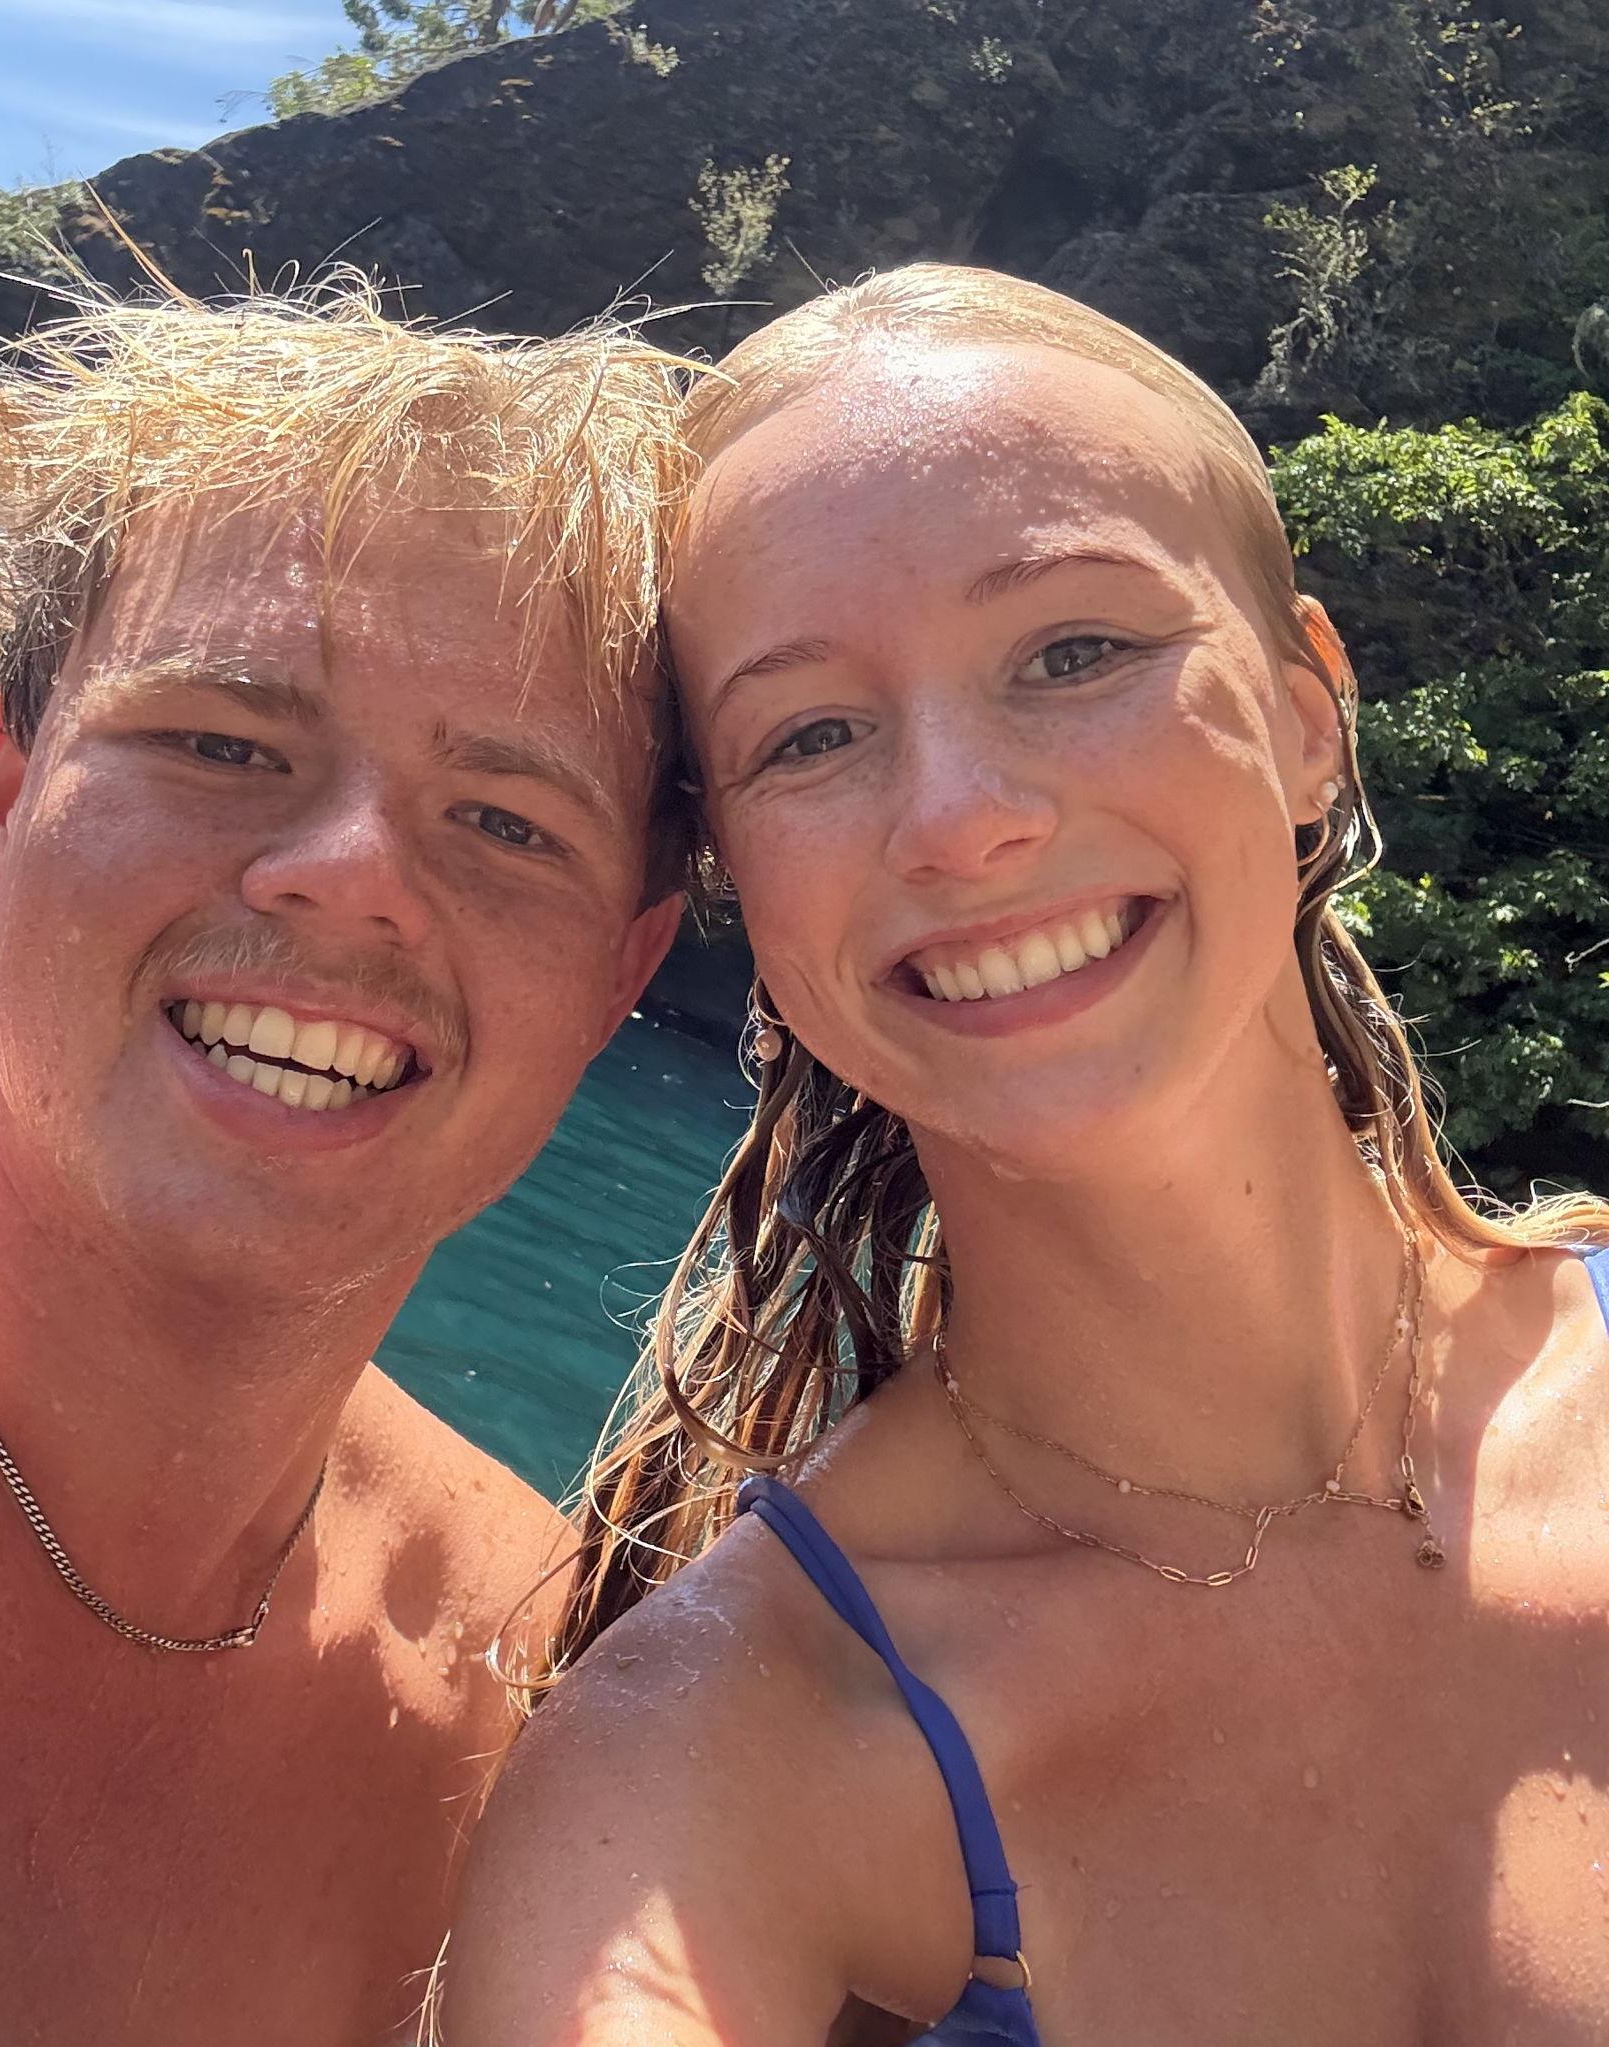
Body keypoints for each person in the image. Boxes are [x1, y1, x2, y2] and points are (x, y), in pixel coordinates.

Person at [443, 266, 1609, 2043]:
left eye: (1073, 651)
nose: (961, 817)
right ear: (733, 878)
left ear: (1306, 713)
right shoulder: (708, 1776)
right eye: (810, 733)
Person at [0, 281, 691, 2044]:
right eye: (224, 745)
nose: (350, 875)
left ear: (620, 973)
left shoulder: (541, 1732)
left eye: (503, 821)